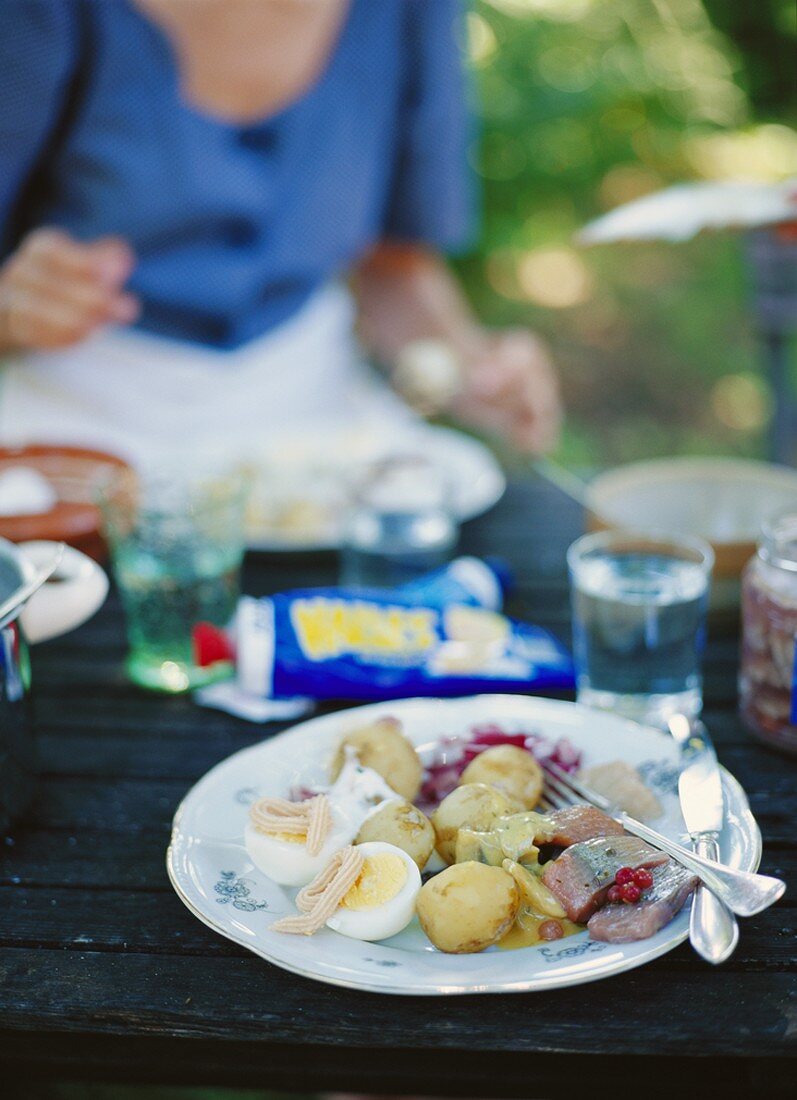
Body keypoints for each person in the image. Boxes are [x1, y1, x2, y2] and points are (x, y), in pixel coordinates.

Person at [0, 0, 560, 467]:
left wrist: (470, 368)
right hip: (69, 422)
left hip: (308, 433)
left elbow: (396, 269)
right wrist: (14, 306)